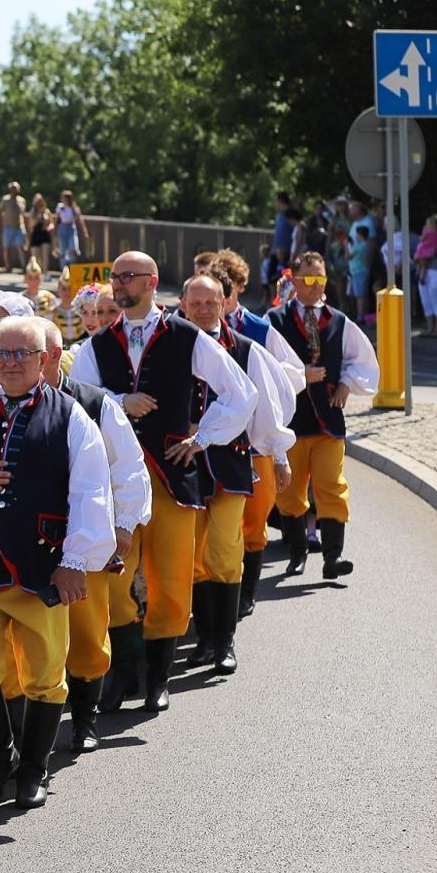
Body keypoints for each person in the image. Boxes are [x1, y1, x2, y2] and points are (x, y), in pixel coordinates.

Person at [69, 251, 255, 714]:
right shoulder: (96, 345)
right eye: (114, 277)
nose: (117, 284)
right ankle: (123, 672)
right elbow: (76, 398)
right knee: (113, 576)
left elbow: (240, 392)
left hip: (173, 473)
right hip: (115, 478)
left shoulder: (185, 335)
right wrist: (119, 399)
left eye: (126, 276)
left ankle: (158, 677)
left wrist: (203, 437)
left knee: (171, 576)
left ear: (152, 282)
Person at [0, 316, 113, 808]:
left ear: (44, 360)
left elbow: (92, 490)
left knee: (45, 674)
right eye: (3, 354)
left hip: (41, 565)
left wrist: (76, 560)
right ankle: (1, 757)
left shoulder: (71, 416)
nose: (12, 363)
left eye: (23, 354)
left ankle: (34, 769)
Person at [33, 318, 149, 754]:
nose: (26, 364)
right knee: (32, 639)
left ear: (55, 355)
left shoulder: (96, 403)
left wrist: (122, 525)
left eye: (36, 355)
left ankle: (85, 720)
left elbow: (128, 467)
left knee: (86, 634)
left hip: (83, 539)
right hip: (27, 543)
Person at [176, 271, 294, 675]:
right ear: (184, 307)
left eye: (212, 302)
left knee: (225, 551)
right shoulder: (171, 347)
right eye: (197, 303)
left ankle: (224, 641)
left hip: (229, 466)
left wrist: (278, 454)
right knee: (192, 557)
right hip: (184, 469)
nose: (205, 309)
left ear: (225, 303)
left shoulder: (246, 350)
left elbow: (268, 409)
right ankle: (203, 638)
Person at [269, 251, 380, 582]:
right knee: (289, 493)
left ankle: (334, 556)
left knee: (332, 486)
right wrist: (300, 374)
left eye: (321, 279)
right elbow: (264, 365)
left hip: (329, 421)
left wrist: (346, 383)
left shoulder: (339, 321)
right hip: (291, 422)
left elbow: (361, 359)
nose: (316, 286)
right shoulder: (275, 320)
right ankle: (298, 551)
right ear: (295, 281)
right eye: (309, 279)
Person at [209, 250, 304, 618]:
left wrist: (268, 385)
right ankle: (217, 608)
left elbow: (293, 372)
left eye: (222, 297)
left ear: (232, 296)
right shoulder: (191, 333)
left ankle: (246, 593)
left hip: (256, 441)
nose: (215, 306)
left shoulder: (258, 330)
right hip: (215, 445)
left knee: (253, 522)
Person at [414, 215, 437, 339]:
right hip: (425, 272)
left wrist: (422, 259)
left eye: (430, 224)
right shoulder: (425, 238)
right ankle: (430, 328)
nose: (427, 226)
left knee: (436, 300)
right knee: (426, 301)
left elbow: (431, 253)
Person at [54, 189, 88, 267]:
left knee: (73, 248)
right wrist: (54, 229)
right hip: (62, 227)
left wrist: (84, 231)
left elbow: (80, 220)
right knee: (63, 249)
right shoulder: (60, 207)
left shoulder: (73, 208)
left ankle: (72, 267)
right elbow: (56, 219)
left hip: (71, 228)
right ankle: (64, 269)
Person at [0, 181, 27, 270]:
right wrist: (0, 224)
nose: (14, 190)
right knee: (6, 247)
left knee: (20, 246)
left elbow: (23, 214)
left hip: (19, 227)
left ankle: (24, 266)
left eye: (16, 188)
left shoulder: (22, 200)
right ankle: (8, 266)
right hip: (8, 227)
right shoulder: (5, 199)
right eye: (13, 188)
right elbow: (0, 211)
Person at [27, 193, 54, 272]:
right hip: (36, 233)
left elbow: (51, 223)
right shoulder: (33, 212)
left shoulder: (46, 211)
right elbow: (31, 224)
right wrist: (38, 217)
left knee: (45, 255)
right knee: (35, 256)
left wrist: (49, 227)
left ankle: (45, 272)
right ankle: (34, 272)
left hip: (45, 233)